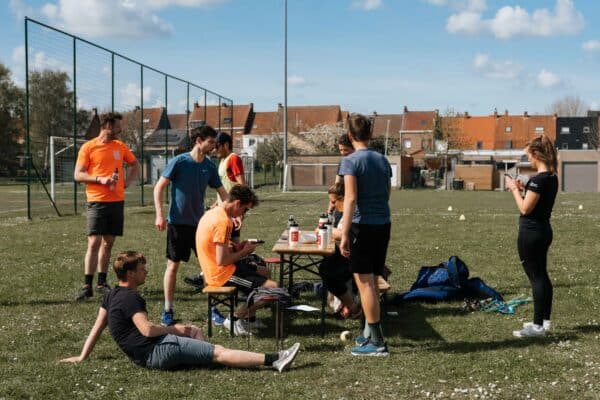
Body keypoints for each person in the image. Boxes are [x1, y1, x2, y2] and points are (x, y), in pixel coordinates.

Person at [60, 251, 300, 372]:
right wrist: (174, 329)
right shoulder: (131, 298)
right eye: (142, 269)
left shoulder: (112, 294)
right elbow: (147, 330)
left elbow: (98, 326)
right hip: (156, 352)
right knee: (218, 351)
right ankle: (275, 359)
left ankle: (207, 357)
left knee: (195, 332)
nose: (146, 272)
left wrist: (83, 356)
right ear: (130, 273)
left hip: (144, 355)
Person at [153, 125, 228, 326]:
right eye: (210, 142)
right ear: (198, 141)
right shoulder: (179, 162)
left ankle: (213, 309)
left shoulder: (209, 166)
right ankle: (167, 310)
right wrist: (159, 215)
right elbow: (159, 187)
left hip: (200, 226)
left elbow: (223, 194)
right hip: (177, 224)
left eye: (215, 143)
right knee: (172, 266)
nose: (214, 146)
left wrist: (232, 213)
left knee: (209, 266)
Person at [339, 113, 392, 356]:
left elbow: (350, 198)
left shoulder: (350, 161)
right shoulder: (382, 160)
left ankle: (378, 342)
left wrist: (344, 232)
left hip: (362, 226)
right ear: (369, 134)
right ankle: (369, 333)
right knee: (372, 281)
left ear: (350, 135)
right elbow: (387, 194)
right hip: (383, 224)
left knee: (366, 284)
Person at [196, 185, 279, 336]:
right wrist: (245, 252)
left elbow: (218, 249)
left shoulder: (212, 213)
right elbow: (222, 260)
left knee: (264, 272)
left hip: (222, 269)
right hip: (221, 275)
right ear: (237, 203)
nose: (243, 214)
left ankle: (249, 319)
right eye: (245, 210)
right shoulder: (224, 222)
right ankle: (233, 319)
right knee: (273, 290)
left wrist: (238, 247)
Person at [74, 112, 140, 301]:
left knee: (108, 243)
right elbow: (78, 175)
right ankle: (87, 286)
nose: (121, 129)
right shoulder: (88, 147)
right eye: (118, 125)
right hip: (96, 201)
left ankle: (102, 283)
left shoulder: (120, 146)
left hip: (116, 202)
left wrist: (126, 182)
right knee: (94, 242)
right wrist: (99, 179)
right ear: (108, 126)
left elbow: (134, 164)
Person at [505, 134, 558, 338]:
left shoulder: (538, 180)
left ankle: (537, 328)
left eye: (528, 155)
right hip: (543, 230)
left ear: (536, 154)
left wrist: (513, 190)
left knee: (536, 278)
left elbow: (525, 209)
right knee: (542, 275)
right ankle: (544, 321)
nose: (528, 158)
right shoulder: (551, 177)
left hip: (531, 233)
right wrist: (523, 189)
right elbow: (536, 203)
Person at [319, 182, 361, 319]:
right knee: (326, 266)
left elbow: (343, 234)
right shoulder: (345, 212)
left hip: (356, 258)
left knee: (328, 270)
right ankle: (346, 304)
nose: (332, 205)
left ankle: (352, 307)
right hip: (348, 254)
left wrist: (323, 230)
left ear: (343, 198)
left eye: (333, 202)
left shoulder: (353, 211)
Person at [328, 134, 355, 217]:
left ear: (353, 148)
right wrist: (329, 210)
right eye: (341, 150)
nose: (343, 153)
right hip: (341, 205)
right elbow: (336, 187)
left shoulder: (359, 163)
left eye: (346, 150)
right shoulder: (343, 163)